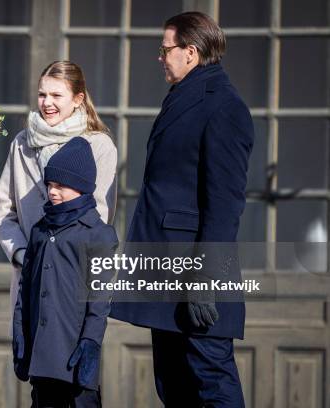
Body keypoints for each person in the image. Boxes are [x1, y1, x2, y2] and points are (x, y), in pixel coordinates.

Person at [109, 12, 254, 407]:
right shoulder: (186, 94)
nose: (160, 57)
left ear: (190, 52)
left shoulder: (224, 106)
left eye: (166, 49)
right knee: (173, 383)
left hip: (193, 269)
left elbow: (225, 202)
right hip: (164, 267)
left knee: (212, 379)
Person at [0, 61, 118, 317]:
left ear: (77, 99)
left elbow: (100, 216)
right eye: (42, 94)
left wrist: (60, 259)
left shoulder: (99, 146)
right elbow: (4, 211)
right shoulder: (22, 143)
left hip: (71, 276)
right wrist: (21, 255)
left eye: (56, 95)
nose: (47, 102)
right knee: (25, 353)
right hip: (28, 276)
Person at [12, 137, 118, 407]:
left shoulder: (98, 235)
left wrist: (90, 342)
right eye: (49, 184)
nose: (52, 192)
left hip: (73, 359)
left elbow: (100, 299)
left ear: (82, 188)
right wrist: (21, 334)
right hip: (41, 359)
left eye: (60, 185)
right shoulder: (39, 230)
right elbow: (26, 290)